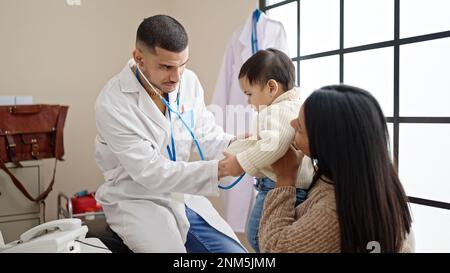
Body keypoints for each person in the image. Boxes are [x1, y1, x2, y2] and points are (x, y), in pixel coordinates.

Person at [94, 15, 246, 253]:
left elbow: (204, 135)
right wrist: (221, 169)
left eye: (182, 65)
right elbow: (151, 172)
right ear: (139, 58)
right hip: (136, 200)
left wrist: (240, 145)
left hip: (180, 194)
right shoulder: (113, 103)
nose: (176, 77)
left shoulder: (188, 81)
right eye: (166, 67)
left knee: (237, 255)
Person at [259, 84, 415, 253]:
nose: (292, 123)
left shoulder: (335, 213)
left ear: (328, 145)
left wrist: (285, 177)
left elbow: (273, 249)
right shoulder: (370, 181)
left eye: (301, 128)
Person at [219, 49, 314, 252]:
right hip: (296, 187)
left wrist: (240, 162)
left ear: (271, 87)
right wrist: (238, 145)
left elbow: (274, 146)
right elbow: (268, 142)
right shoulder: (294, 106)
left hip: (276, 187)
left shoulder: (275, 111)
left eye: (249, 94)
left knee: (256, 236)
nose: (248, 102)